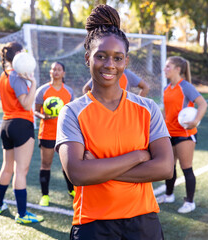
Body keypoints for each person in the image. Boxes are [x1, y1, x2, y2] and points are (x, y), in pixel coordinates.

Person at [55, 5, 174, 239]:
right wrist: (138, 157)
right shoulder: (71, 112)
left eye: (117, 58)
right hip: (93, 224)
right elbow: (77, 174)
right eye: (101, 56)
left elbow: (165, 167)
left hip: (143, 222)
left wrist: (98, 168)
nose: (110, 64)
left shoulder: (147, 108)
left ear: (126, 61)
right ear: (88, 58)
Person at [0, 42, 44, 224]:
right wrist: (34, 83)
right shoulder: (17, 76)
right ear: (18, 56)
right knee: (20, 171)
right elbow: (26, 104)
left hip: (6, 124)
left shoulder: (4, 75)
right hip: (21, 124)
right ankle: (22, 214)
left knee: (7, 167)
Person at [157, 56, 208, 214]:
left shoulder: (185, 86)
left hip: (185, 134)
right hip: (169, 134)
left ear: (178, 69)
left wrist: (196, 121)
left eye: (168, 66)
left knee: (186, 168)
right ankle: (169, 195)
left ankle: (190, 202)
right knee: (169, 168)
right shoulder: (166, 89)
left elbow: (202, 104)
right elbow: (166, 112)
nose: (165, 69)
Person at [34, 61, 75, 207]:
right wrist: (43, 116)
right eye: (53, 69)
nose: (56, 72)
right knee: (46, 165)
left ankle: (72, 191)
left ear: (63, 73)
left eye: (59, 69)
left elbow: (72, 112)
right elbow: (36, 110)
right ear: (50, 72)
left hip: (64, 135)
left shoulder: (69, 91)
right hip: (47, 133)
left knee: (67, 165)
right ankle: (45, 195)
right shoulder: (42, 91)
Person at [82, 68, 150, 96]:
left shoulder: (127, 74)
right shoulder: (103, 72)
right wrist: (93, 102)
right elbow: (86, 89)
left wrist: (136, 103)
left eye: (117, 58)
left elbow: (145, 87)